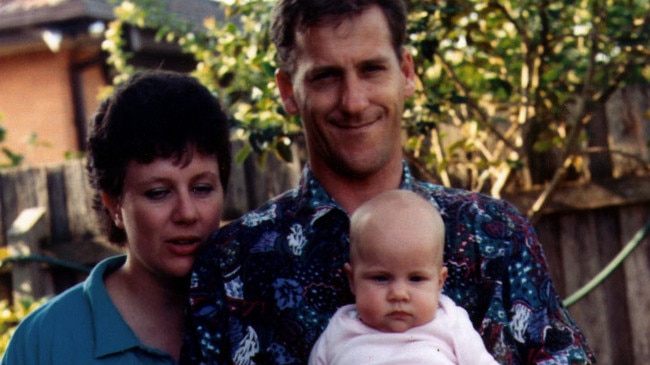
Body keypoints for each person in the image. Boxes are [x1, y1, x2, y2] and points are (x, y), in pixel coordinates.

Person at [183, 0, 595, 364]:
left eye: (372, 69)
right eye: (325, 76)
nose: (354, 101)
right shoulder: (232, 263)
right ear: (289, 91)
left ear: (408, 73)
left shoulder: (496, 235)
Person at [1, 70, 231, 364]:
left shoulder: (263, 312)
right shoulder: (45, 343)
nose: (187, 213)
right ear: (114, 205)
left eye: (202, 188)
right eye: (158, 192)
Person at [308, 189, 498, 365]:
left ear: (440, 282)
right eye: (380, 278)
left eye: (416, 279)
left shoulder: (450, 322)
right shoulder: (339, 330)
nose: (399, 294)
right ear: (352, 280)